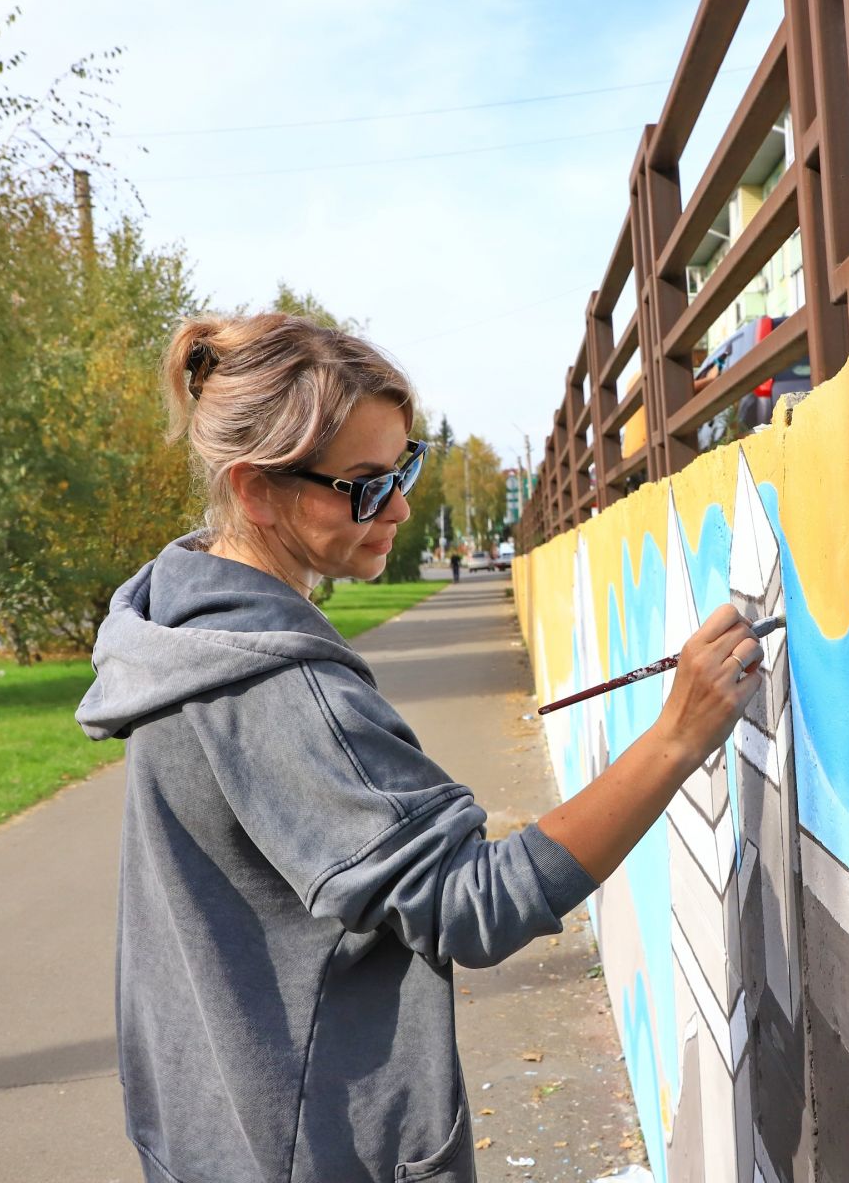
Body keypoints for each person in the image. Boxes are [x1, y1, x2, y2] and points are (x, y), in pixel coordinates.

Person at [75, 312, 763, 1183]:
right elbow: (474, 904)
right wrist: (676, 737)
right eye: (363, 485)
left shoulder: (178, 624)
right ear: (255, 491)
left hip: (216, 1125)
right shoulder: (273, 689)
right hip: (307, 1148)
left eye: (404, 469)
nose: (398, 506)